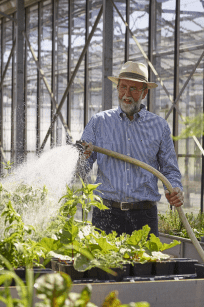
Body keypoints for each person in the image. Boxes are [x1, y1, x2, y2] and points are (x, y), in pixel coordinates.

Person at [79, 61, 184, 237]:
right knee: (105, 264)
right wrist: (82, 157)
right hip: (106, 213)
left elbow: (170, 170)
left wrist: (174, 189)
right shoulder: (99, 122)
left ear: (144, 92)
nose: (127, 95)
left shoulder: (159, 126)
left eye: (134, 89)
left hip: (144, 216)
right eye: (123, 87)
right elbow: (82, 168)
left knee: (144, 264)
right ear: (117, 88)